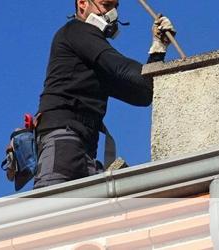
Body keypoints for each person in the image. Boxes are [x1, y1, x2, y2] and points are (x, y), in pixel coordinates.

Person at [33, 0, 176, 189]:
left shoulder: (93, 60)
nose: (112, 13)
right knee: (53, 210)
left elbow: (143, 93)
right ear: (82, 4)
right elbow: (122, 68)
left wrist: (158, 49)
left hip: (82, 146)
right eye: (106, 5)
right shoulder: (76, 31)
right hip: (64, 142)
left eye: (115, 7)